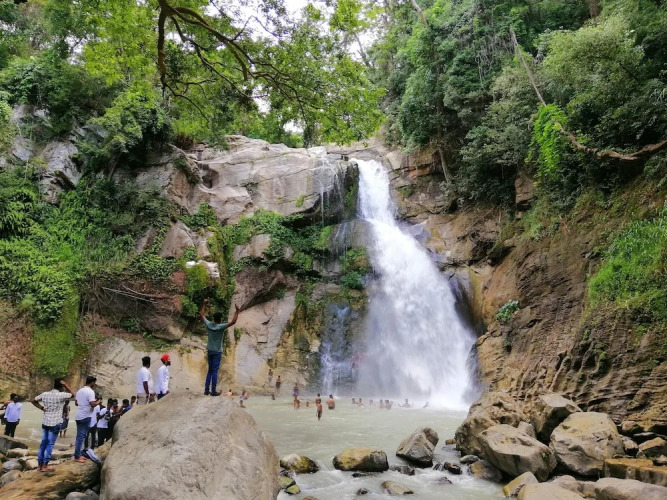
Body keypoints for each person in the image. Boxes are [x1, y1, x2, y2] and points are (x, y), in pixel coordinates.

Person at [31, 378, 74, 472]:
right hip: (55, 423)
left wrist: (42, 408)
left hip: (45, 421)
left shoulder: (45, 394)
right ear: (61, 386)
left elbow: (33, 400)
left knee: (43, 443)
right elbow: (73, 395)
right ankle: (45, 465)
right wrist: (66, 385)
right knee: (50, 444)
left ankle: (39, 466)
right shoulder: (61, 395)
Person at [200, 298, 239, 396]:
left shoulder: (209, 325)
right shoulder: (221, 327)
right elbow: (233, 322)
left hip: (210, 350)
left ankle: (206, 390)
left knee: (210, 370)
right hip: (217, 351)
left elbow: (202, 315)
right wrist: (237, 311)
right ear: (220, 319)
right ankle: (213, 391)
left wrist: (204, 304)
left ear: (214, 319)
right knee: (215, 371)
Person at [74, 376, 100, 463]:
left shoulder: (80, 391)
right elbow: (92, 404)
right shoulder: (90, 391)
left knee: (79, 437)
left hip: (78, 416)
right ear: (92, 382)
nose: (94, 384)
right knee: (81, 437)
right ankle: (77, 456)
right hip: (85, 416)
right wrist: (98, 402)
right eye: (94, 382)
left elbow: (76, 403)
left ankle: (78, 454)